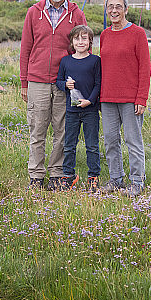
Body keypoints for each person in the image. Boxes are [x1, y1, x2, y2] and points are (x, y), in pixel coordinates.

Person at [20, 0, 88, 190]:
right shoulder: (34, 12)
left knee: (62, 130)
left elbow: (84, 48)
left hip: (64, 83)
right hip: (37, 81)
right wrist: (24, 83)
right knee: (37, 130)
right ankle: (36, 175)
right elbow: (26, 49)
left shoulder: (76, 14)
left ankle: (57, 174)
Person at [98, 0, 151, 197]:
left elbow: (145, 69)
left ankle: (137, 182)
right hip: (108, 98)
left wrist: (141, 97)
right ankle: (116, 179)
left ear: (126, 10)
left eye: (118, 6)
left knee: (133, 141)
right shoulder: (104, 35)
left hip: (131, 99)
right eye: (110, 7)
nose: (114, 10)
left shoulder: (138, 34)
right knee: (111, 140)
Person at [55, 25, 101, 191]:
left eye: (84, 39)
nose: (80, 42)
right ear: (72, 42)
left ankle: (93, 177)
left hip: (90, 110)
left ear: (90, 42)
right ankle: (68, 175)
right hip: (72, 111)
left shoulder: (96, 60)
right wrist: (65, 85)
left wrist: (90, 101)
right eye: (77, 39)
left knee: (92, 146)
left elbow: (98, 84)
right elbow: (58, 81)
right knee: (69, 145)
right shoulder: (66, 61)